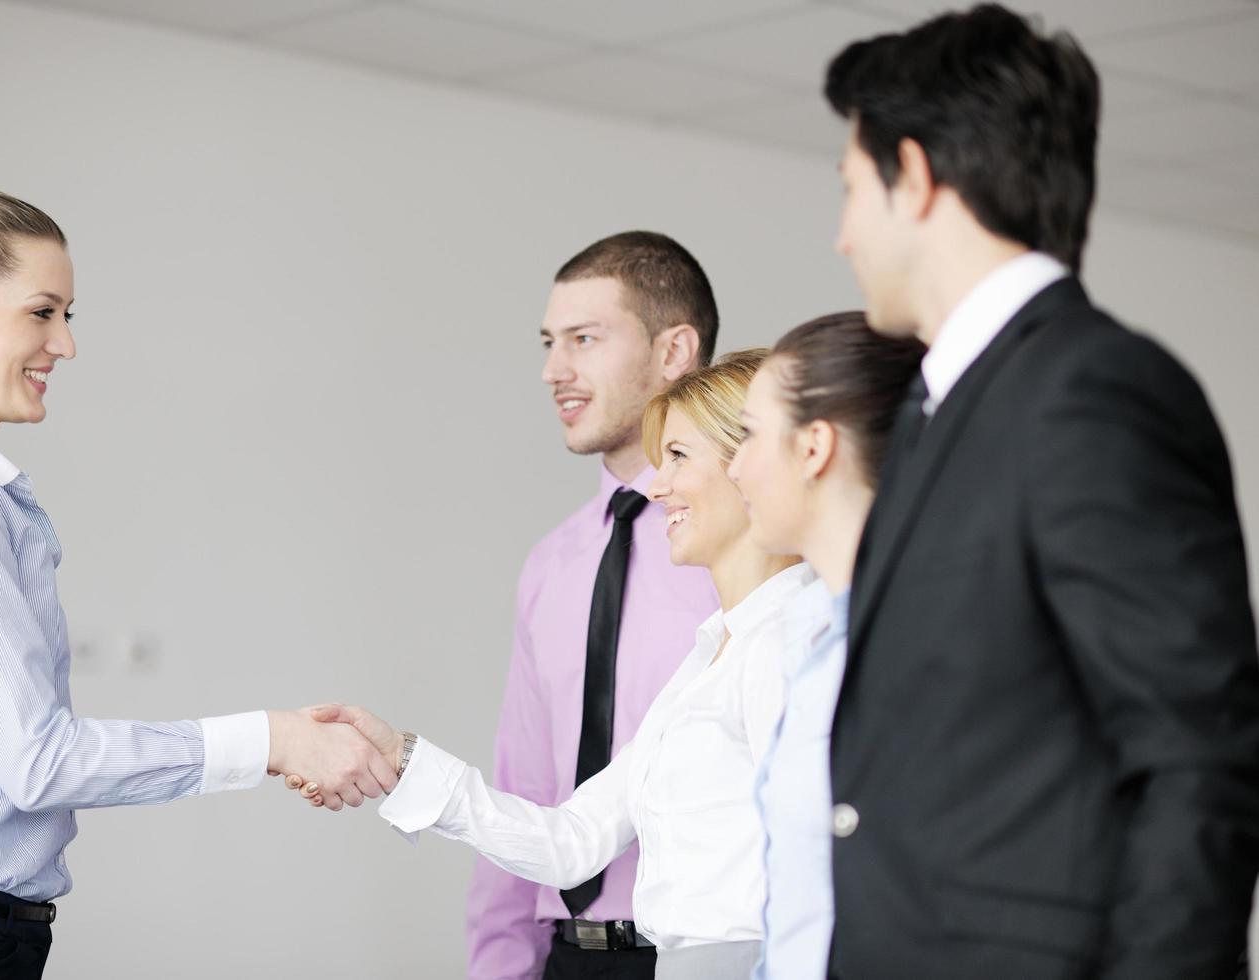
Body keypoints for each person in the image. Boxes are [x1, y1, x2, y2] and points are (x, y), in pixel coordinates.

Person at [0, 184, 393, 979]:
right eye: (42, 313)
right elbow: (38, 762)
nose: (64, 345)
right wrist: (274, 739)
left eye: (66, 316)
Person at [820, 6, 1259, 977]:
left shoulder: (1091, 391)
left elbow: (1201, 762)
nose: (843, 234)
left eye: (852, 189)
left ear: (918, 176)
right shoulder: (943, 407)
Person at [303, 349, 815, 979]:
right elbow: (573, 842)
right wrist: (402, 758)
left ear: (752, 466)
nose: (657, 487)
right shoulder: (708, 660)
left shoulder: (791, 641)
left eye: (678, 457)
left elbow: (817, 867)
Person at [467, 232, 721, 978]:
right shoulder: (551, 563)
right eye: (549, 343)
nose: (554, 370)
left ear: (674, 351)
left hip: (701, 953)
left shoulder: (754, 548)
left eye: (584, 339)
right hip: (567, 959)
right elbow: (523, 787)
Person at [724, 313, 923, 980]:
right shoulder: (813, 642)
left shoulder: (923, 652)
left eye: (749, 436)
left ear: (814, 447)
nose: (735, 467)